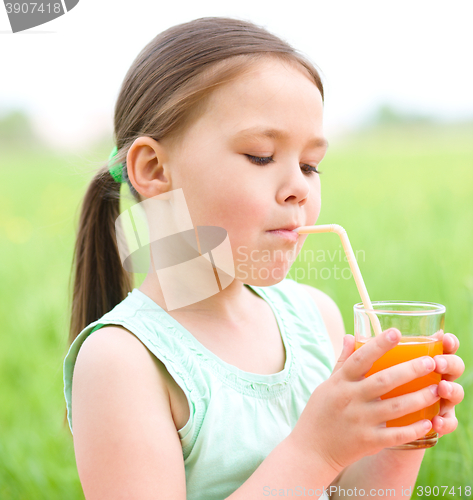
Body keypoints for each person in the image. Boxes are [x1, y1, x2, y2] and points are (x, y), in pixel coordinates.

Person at [62, 16, 464, 500]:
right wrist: (316, 451)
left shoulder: (316, 317)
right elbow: (318, 462)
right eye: (260, 156)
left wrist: (401, 432)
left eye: (310, 165)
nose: (299, 187)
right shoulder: (122, 362)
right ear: (153, 169)